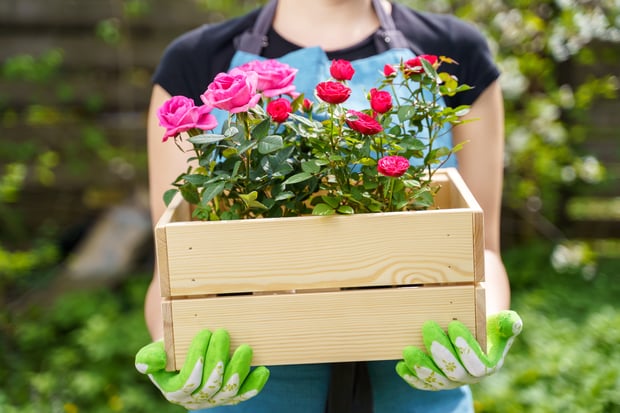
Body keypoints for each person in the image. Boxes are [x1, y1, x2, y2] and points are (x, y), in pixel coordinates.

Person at [136, 0, 520, 412]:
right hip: (250, 394)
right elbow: (173, 271)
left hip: (420, 393)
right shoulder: (194, 61)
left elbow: (483, 251)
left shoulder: (456, 50)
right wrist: (173, 345)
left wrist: (486, 326)